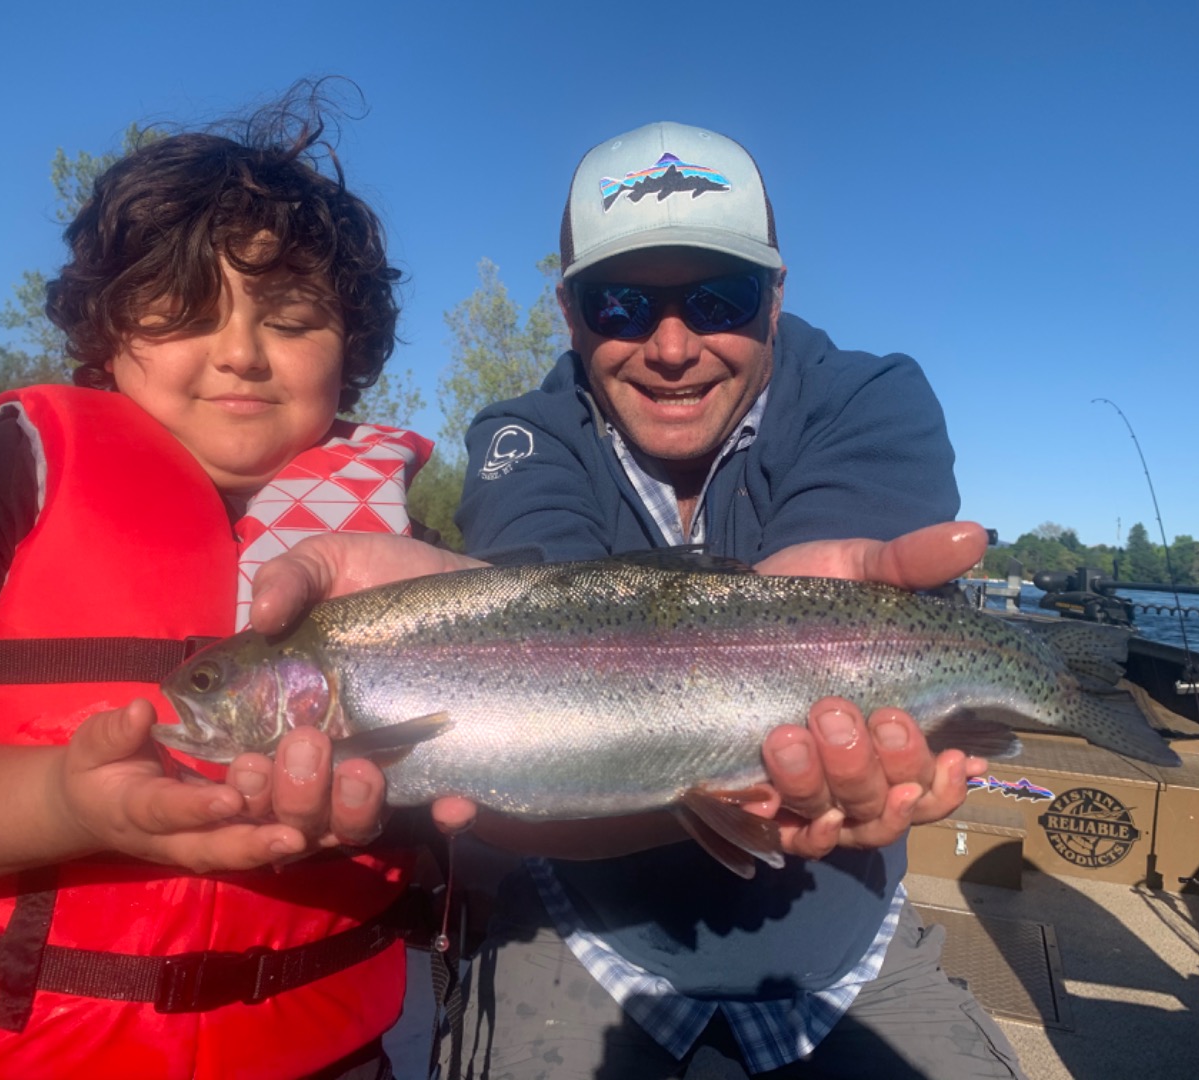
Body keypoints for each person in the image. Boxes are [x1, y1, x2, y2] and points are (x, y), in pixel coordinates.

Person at [0, 88, 458, 1080]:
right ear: (105, 331)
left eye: (294, 318)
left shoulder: (406, 552)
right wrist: (67, 803)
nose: (240, 353)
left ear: (352, 350)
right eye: (183, 311)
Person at [438, 121, 1029, 1078]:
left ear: (778, 293)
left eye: (720, 296)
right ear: (569, 311)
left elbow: (807, 625)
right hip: (590, 932)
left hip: (844, 950)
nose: (672, 346)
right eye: (621, 302)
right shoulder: (521, 438)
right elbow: (541, 653)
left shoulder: (870, 399)